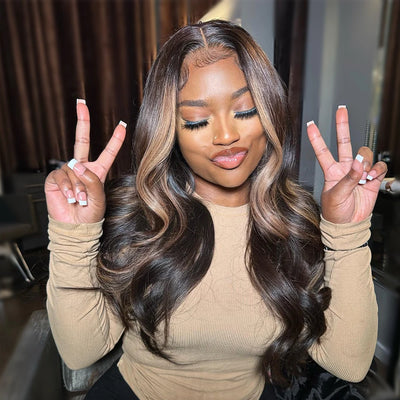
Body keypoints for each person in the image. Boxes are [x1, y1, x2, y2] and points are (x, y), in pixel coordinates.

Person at [45, 20, 387, 400]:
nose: (226, 136)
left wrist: (348, 233)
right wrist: (73, 237)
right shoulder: (142, 221)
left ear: (269, 112)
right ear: (171, 130)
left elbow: (350, 364)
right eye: (196, 120)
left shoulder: (295, 224)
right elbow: (80, 353)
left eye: (245, 111)